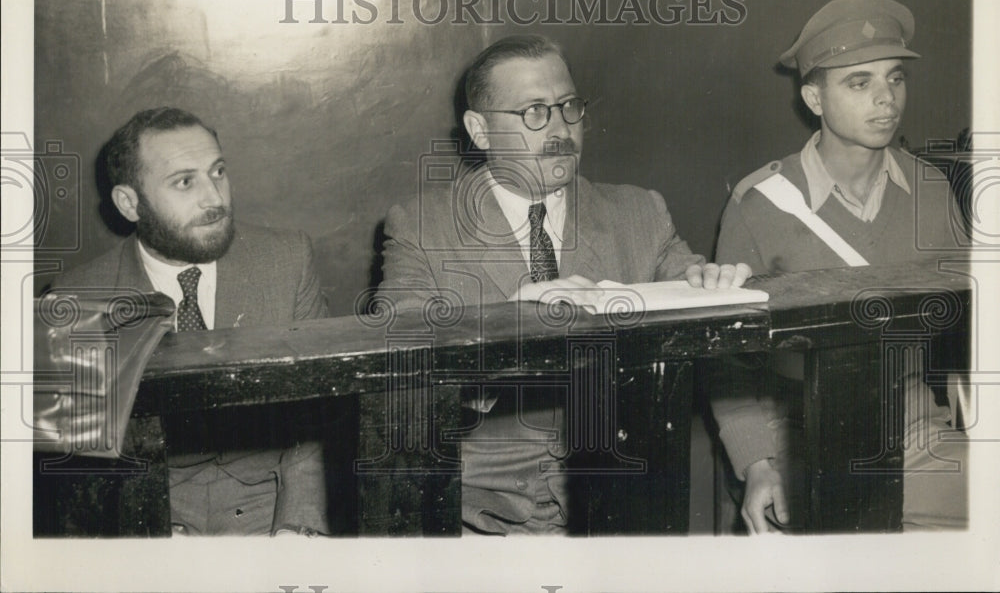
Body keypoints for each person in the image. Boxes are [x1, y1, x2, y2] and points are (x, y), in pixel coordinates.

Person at [377, 34, 750, 534]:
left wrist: (712, 287)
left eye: (568, 106)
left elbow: (684, 282)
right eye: (534, 111)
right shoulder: (422, 227)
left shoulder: (639, 213)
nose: (560, 129)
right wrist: (509, 315)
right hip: (479, 518)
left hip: (622, 500)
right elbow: (393, 353)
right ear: (479, 129)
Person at [711, 0, 968, 533]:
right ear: (814, 97)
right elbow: (730, 364)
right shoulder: (761, 203)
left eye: (895, 78)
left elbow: (974, 320)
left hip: (913, 423)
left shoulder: (929, 188)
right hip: (797, 434)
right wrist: (758, 465)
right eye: (860, 83)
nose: (886, 99)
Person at [52, 107, 331, 536]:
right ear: (129, 203)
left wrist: (298, 529)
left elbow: (320, 416)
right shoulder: (78, 299)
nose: (214, 199)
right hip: (147, 512)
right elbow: (80, 466)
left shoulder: (287, 261)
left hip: (272, 507)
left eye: (217, 172)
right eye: (185, 182)